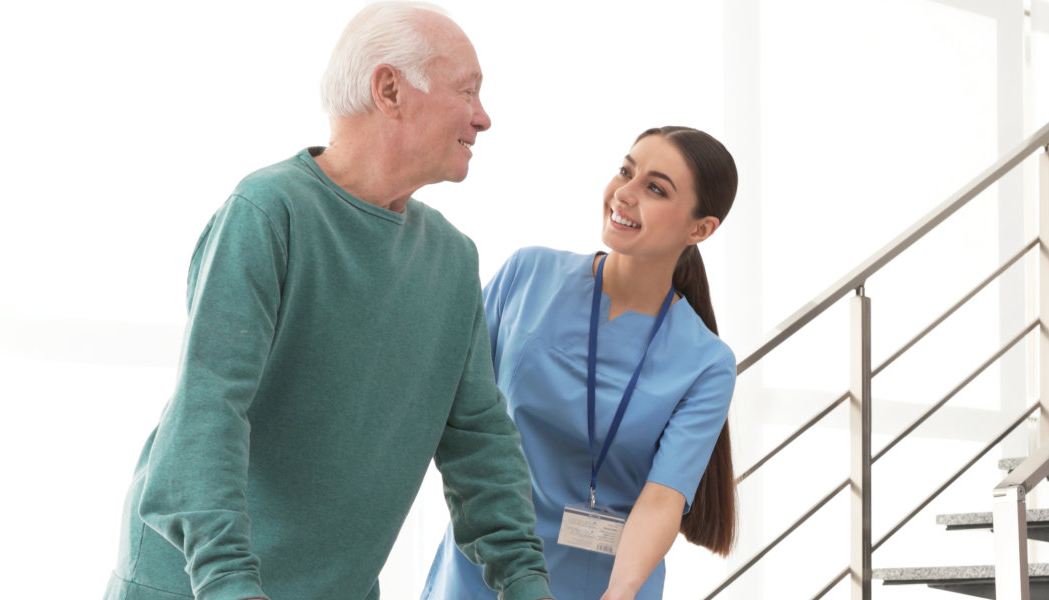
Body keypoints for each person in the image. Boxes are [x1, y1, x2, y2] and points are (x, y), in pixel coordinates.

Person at [103, 3, 554, 600]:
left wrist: (524, 580)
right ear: (390, 89)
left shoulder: (451, 258)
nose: (484, 117)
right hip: (198, 585)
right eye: (467, 91)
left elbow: (479, 438)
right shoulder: (269, 213)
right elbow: (207, 415)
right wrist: (228, 584)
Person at [422, 126, 741, 600]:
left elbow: (661, 498)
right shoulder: (525, 275)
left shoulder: (707, 363)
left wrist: (620, 592)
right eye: (625, 172)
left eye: (655, 188)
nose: (625, 194)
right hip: (484, 563)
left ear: (701, 229)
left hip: (604, 582)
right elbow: (449, 404)